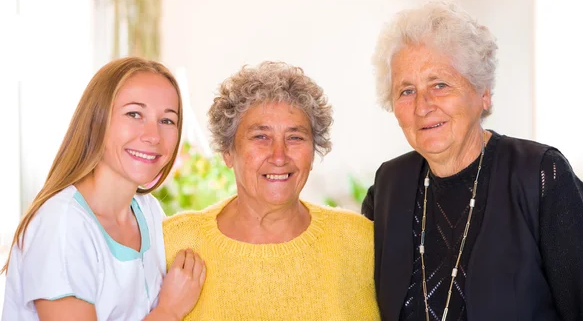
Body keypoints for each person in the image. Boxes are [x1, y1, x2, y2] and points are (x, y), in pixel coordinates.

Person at [362, 1, 583, 321]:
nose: (422, 106)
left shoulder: (540, 175)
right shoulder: (388, 186)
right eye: (406, 90)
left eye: (440, 84)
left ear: (483, 93)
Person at [163, 61, 380, 320]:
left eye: (295, 137)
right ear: (228, 152)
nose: (279, 156)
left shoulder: (363, 242)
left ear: (313, 152)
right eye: (260, 137)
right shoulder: (172, 244)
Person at [1, 57, 205, 321]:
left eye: (167, 120)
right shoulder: (61, 225)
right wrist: (170, 310)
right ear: (97, 120)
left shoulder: (148, 211)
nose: (153, 135)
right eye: (134, 114)